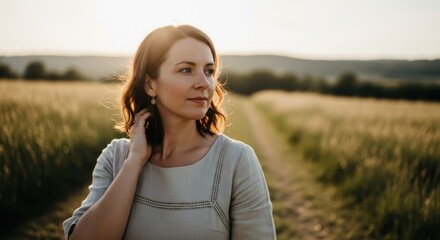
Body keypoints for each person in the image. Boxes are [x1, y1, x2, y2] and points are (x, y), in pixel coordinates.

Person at [63, 24, 276, 240]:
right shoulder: (116, 158)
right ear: (150, 85)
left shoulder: (237, 160)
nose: (204, 83)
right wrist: (135, 161)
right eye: (186, 70)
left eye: (209, 71)